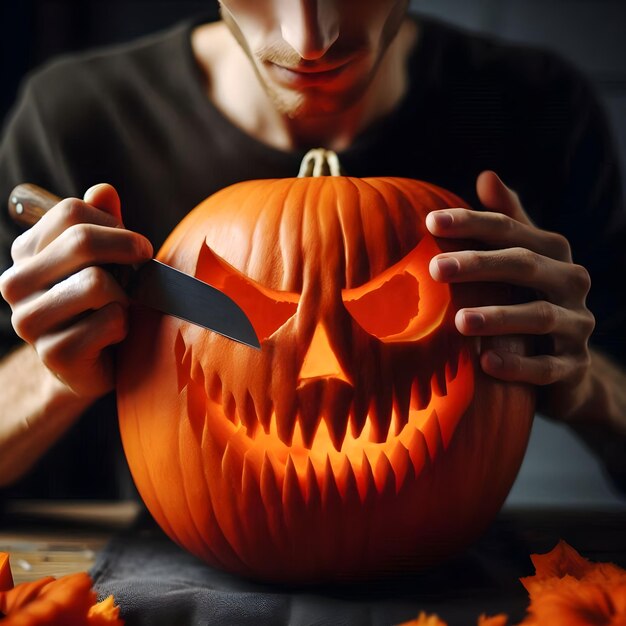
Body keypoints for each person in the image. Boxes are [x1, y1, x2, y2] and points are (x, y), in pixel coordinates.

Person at [0, 0, 625, 498]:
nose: (310, 39)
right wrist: (53, 374)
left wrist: (588, 382)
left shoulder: (540, 110)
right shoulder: (75, 117)